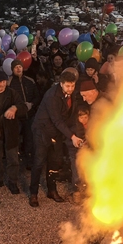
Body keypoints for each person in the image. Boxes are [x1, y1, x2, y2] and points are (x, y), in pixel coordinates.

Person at [29, 68, 81, 207]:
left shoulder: (72, 93)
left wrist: (77, 132)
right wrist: (72, 136)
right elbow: (57, 120)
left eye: (72, 86)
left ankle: (52, 190)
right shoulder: (52, 96)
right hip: (43, 130)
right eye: (68, 86)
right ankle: (33, 193)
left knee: (55, 162)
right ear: (61, 84)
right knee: (39, 162)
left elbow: (70, 116)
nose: (70, 89)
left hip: (57, 132)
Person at [9, 58, 38, 168]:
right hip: (16, 117)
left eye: (20, 66)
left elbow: (37, 96)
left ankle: (29, 161)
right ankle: (15, 162)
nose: (18, 68)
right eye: (16, 67)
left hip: (29, 115)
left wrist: (31, 104)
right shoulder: (9, 82)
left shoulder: (30, 81)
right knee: (15, 139)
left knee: (29, 139)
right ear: (12, 69)